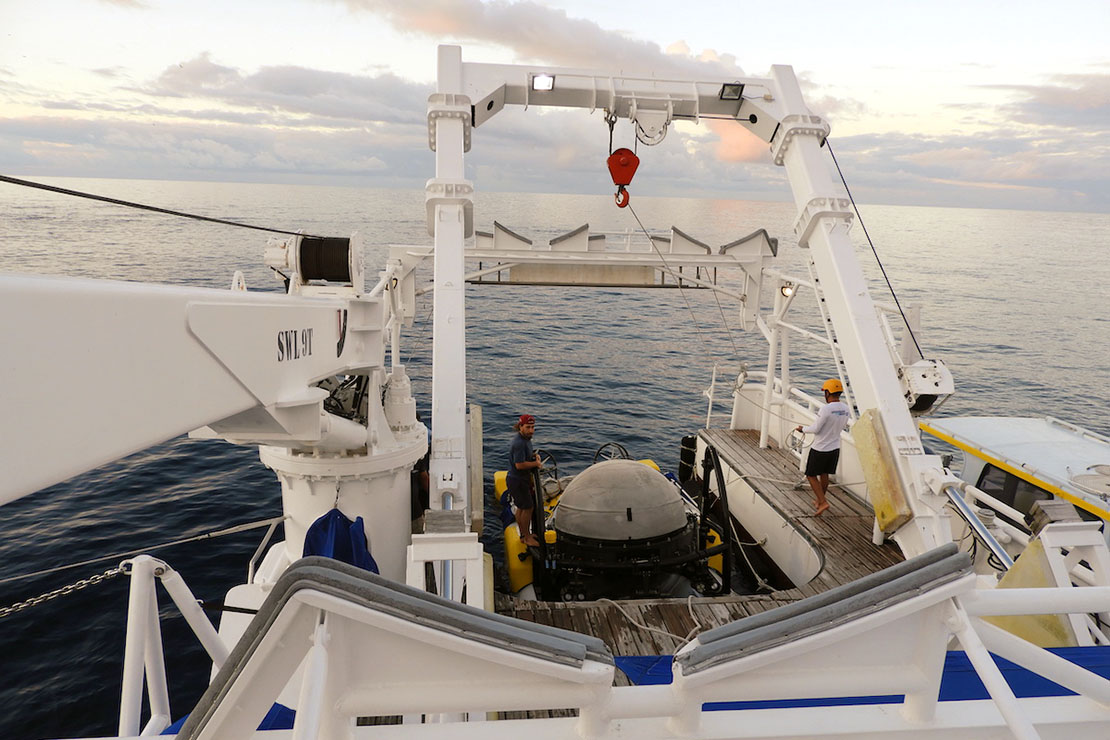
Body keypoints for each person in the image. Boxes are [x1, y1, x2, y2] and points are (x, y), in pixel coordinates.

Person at [795, 379, 851, 516]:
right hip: (834, 448)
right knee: (824, 474)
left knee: (810, 475)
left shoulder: (826, 409)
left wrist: (803, 429)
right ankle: (820, 500)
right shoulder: (845, 408)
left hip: (820, 448)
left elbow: (816, 428)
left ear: (828, 392)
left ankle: (823, 501)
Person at [507, 413, 542, 547]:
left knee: (521, 508)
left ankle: (523, 534)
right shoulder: (519, 443)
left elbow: (525, 456)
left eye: (533, 427)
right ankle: (527, 537)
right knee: (527, 508)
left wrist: (534, 456)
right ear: (520, 426)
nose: (531, 430)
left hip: (519, 480)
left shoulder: (526, 440)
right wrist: (536, 464)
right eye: (528, 427)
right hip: (517, 480)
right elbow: (519, 465)